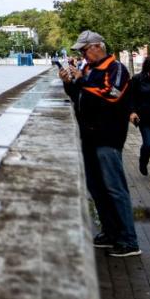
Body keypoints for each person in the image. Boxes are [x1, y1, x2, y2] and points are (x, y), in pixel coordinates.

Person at [60, 30, 141, 257]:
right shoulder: (88, 69)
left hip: (108, 136)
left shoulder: (116, 69)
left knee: (115, 188)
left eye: (85, 50)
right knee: (96, 187)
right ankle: (110, 231)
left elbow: (111, 94)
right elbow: (79, 96)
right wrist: (69, 83)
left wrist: (82, 81)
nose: (83, 55)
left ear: (97, 46)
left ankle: (129, 240)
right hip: (89, 136)